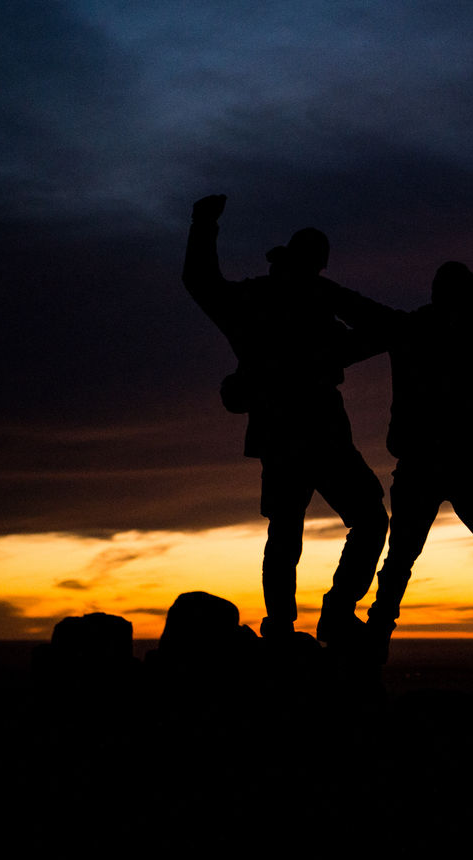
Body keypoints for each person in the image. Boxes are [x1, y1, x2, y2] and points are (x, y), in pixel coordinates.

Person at [182, 194, 388, 645]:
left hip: (292, 427)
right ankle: (317, 616)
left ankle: (293, 622)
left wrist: (204, 224)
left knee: (295, 527)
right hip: (307, 426)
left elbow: (201, 281)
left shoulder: (282, 297)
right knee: (348, 521)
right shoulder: (298, 297)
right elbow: (375, 329)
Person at [324, 262, 473, 659]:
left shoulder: (415, 330)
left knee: (405, 560)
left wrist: (312, 281)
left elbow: (359, 309)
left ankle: (375, 647)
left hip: (430, 465)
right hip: (461, 466)